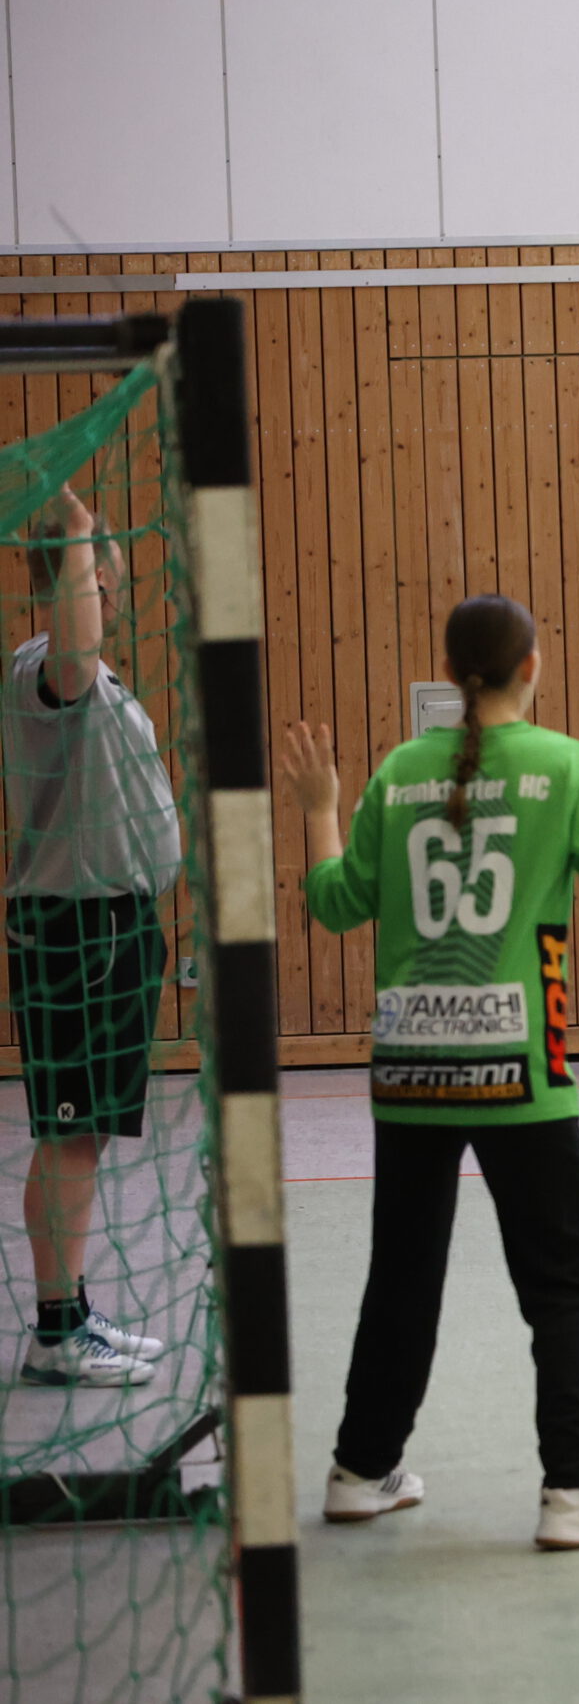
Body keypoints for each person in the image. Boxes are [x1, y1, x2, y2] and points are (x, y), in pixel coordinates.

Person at [276, 594, 579, 1551]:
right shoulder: (570, 768)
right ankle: (573, 1490)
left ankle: (360, 1469)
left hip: (410, 1069)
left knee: (401, 1276)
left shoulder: (397, 773)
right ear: (532, 667)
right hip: (520, 1073)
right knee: (564, 1283)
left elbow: (335, 903)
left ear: (452, 673)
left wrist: (319, 811)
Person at [8, 488, 181, 1385]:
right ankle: (56, 1330)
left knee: (83, 1133)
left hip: (110, 930)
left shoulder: (84, 676)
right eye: (104, 576)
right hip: (80, 931)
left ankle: (69, 1307)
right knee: (70, 1134)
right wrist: (79, 535)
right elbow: (73, 646)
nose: (114, 592)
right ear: (92, 581)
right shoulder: (51, 668)